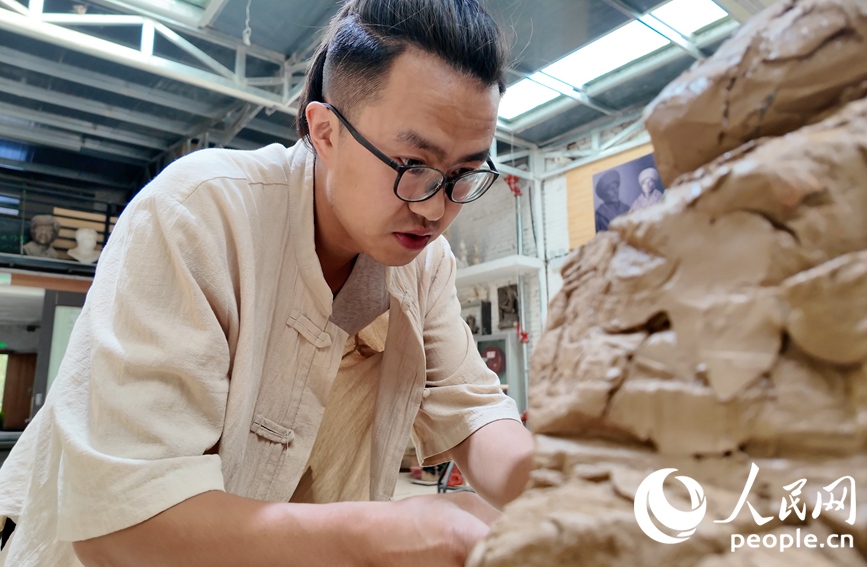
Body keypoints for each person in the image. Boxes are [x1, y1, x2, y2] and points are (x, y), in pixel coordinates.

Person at [0, 1, 534, 566]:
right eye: (413, 166)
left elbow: (473, 409)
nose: (435, 209)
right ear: (325, 132)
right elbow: (122, 525)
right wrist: (383, 534)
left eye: (464, 174)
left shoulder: (425, 264)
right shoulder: (200, 213)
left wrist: (565, 490)